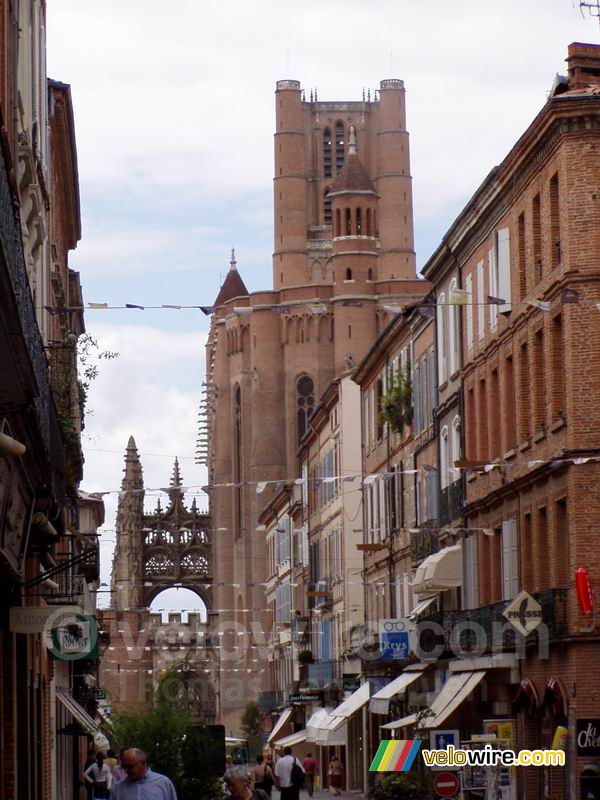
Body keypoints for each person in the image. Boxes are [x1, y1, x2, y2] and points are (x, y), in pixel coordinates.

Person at [111, 748, 177, 799]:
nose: (126, 770)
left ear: (143, 763)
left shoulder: (164, 783)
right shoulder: (118, 789)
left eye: (130, 766)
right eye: (124, 767)